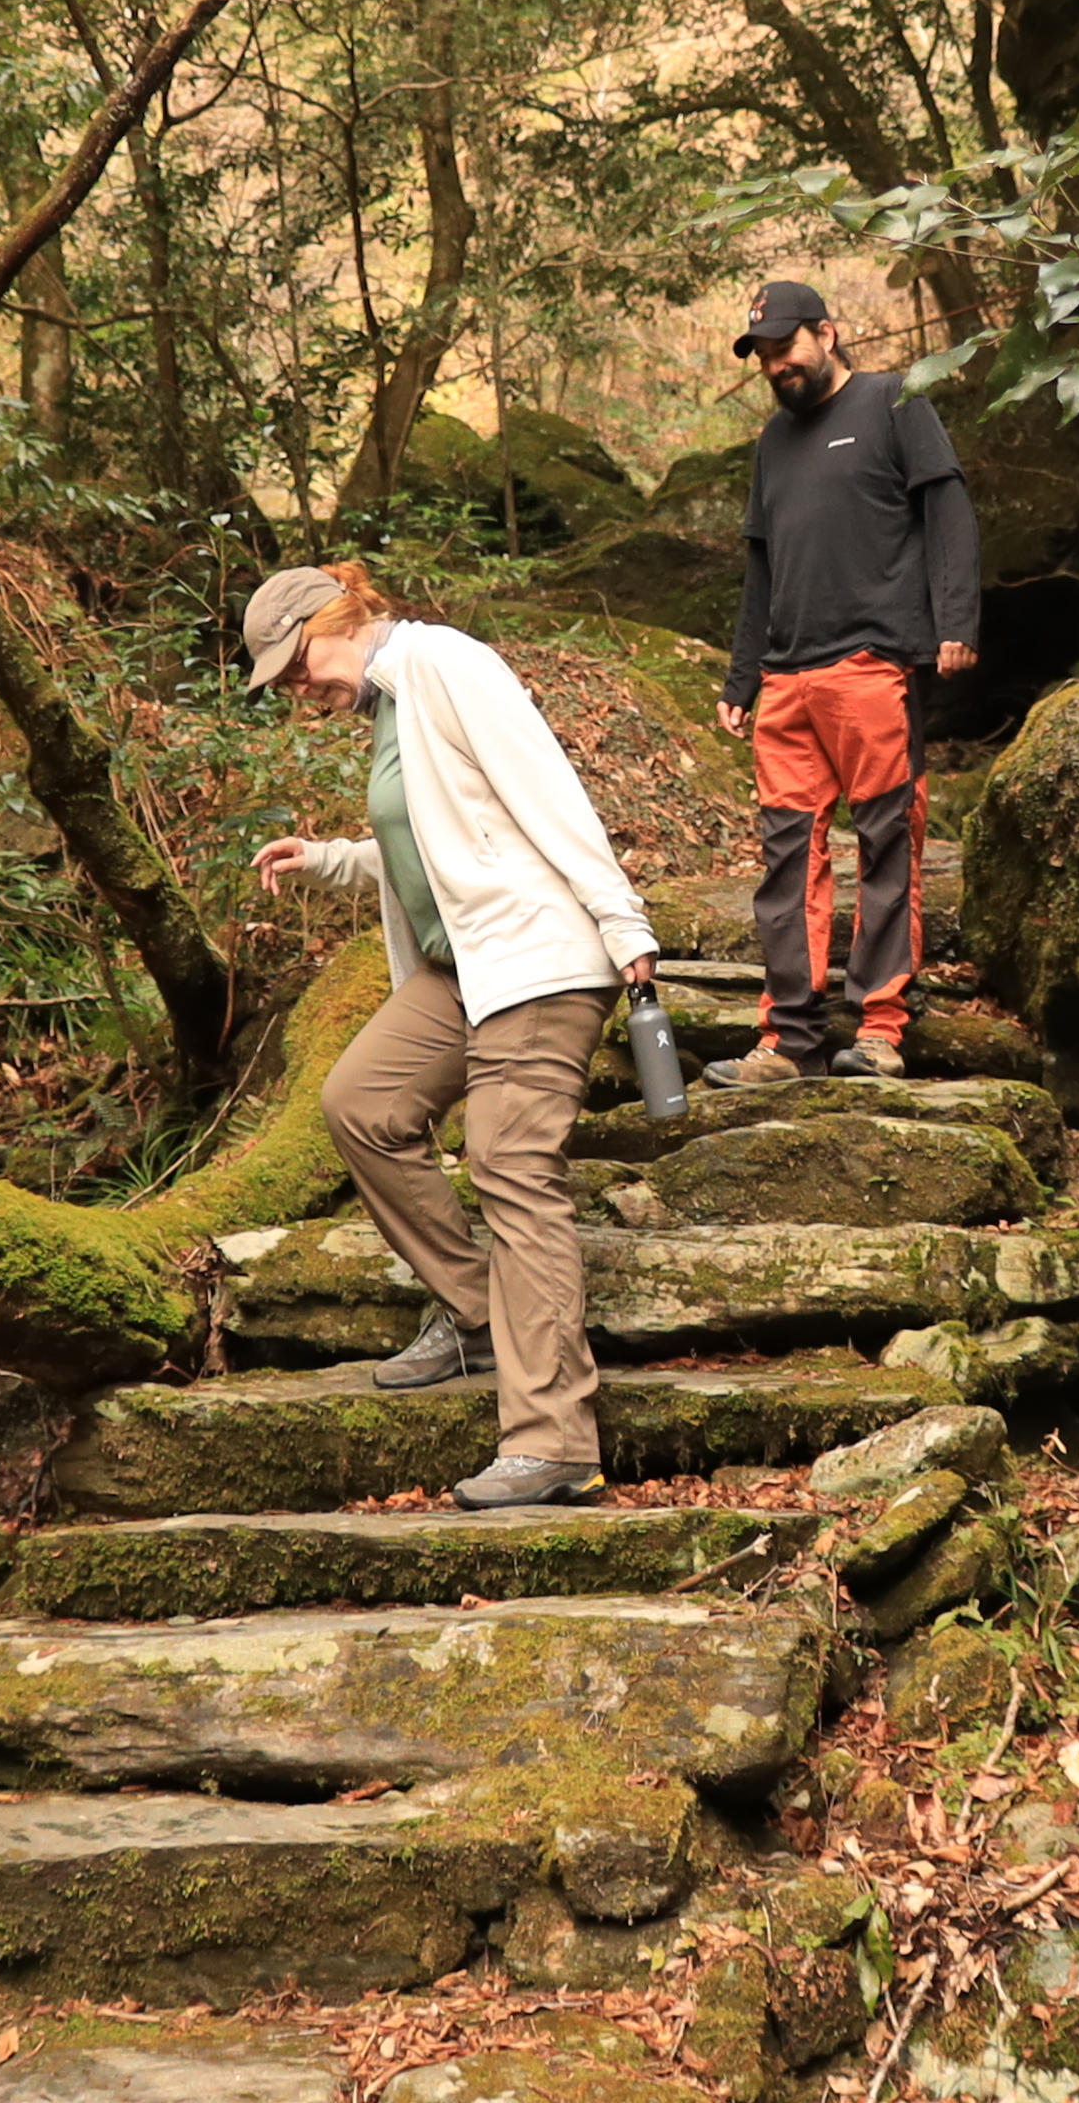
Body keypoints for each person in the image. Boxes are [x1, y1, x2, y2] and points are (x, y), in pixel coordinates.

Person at [241, 558, 659, 1512]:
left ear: (338, 616)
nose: (297, 690)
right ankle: (478, 1314)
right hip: (461, 968)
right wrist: (331, 859)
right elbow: (436, 837)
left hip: (537, 959)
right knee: (361, 1103)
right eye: (284, 681)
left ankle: (554, 1441)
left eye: (295, 664)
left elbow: (546, 795)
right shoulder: (390, 702)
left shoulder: (447, 664)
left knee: (508, 1160)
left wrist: (621, 919)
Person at [708, 280, 980, 1087]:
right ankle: (787, 1040)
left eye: (786, 346)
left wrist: (956, 619)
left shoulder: (895, 401)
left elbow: (949, 510)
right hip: (787, 680)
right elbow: (761, 564)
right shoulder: (772, 443)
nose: (775, 364)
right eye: (761, 353)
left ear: (828, 333)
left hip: (873, 664)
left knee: (887, 843)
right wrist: (743, 672)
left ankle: (882, 1029)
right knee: (788, 859)